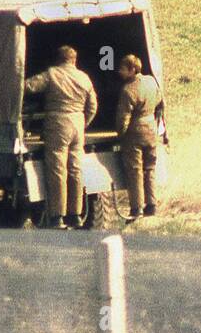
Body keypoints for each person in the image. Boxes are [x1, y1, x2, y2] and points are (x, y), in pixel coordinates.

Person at [25, 45, 97, 228]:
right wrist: (83, 122)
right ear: (74, 60)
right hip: (78, 124)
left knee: (58, 170)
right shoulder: (84, 77)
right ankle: (76, 215)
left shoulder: (52, 74)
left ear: (59, 59)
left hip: (57, 125)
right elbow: (93, 106)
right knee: (75, 169)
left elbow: (29, 86)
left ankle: (57, 215)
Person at [113, 53, 162, 219]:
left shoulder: (128, 90)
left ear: (132, 69)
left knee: (135, 171)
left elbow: (123, 117)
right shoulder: (150, 81)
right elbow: (159, 99)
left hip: (135, 133)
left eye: (123, 69)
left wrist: (121, 133)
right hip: (151, 129)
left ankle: (137, 208)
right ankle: (152, 205)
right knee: (150, 168)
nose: (120, 72)